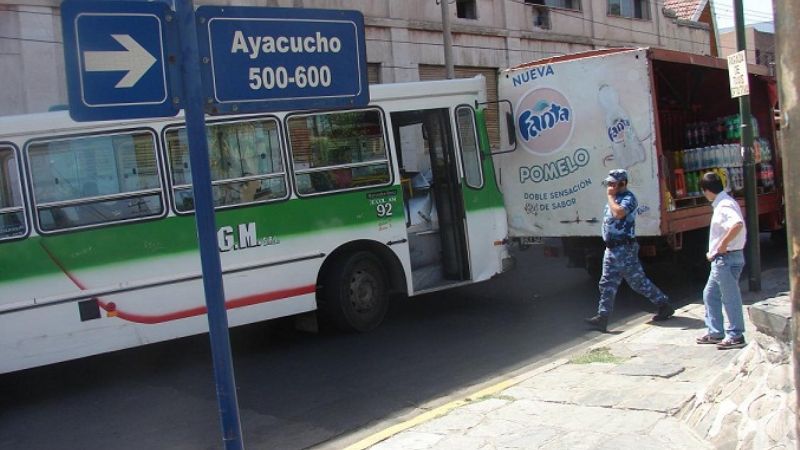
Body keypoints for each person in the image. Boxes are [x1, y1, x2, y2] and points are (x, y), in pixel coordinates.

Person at [585, 169, 675, 332]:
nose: (610, 186)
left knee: (637, 282)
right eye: (609, 183)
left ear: (623, 183)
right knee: (607, 283)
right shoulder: (614, 199)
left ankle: (664, 304)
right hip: (611, 248)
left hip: (624, 248)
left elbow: (619, 213)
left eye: (613, 183)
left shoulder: (628, 198)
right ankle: (602, 317)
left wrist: (610, 197)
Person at [695, 172, 747, 349]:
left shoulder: (724, 205)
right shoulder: (725, 202)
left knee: (729, 297)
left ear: (706, 191)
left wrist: (722, 246)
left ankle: (736, 335)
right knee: (710, 295)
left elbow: (737, 224)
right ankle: (715, 332)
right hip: (722, 258)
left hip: (726, 258)